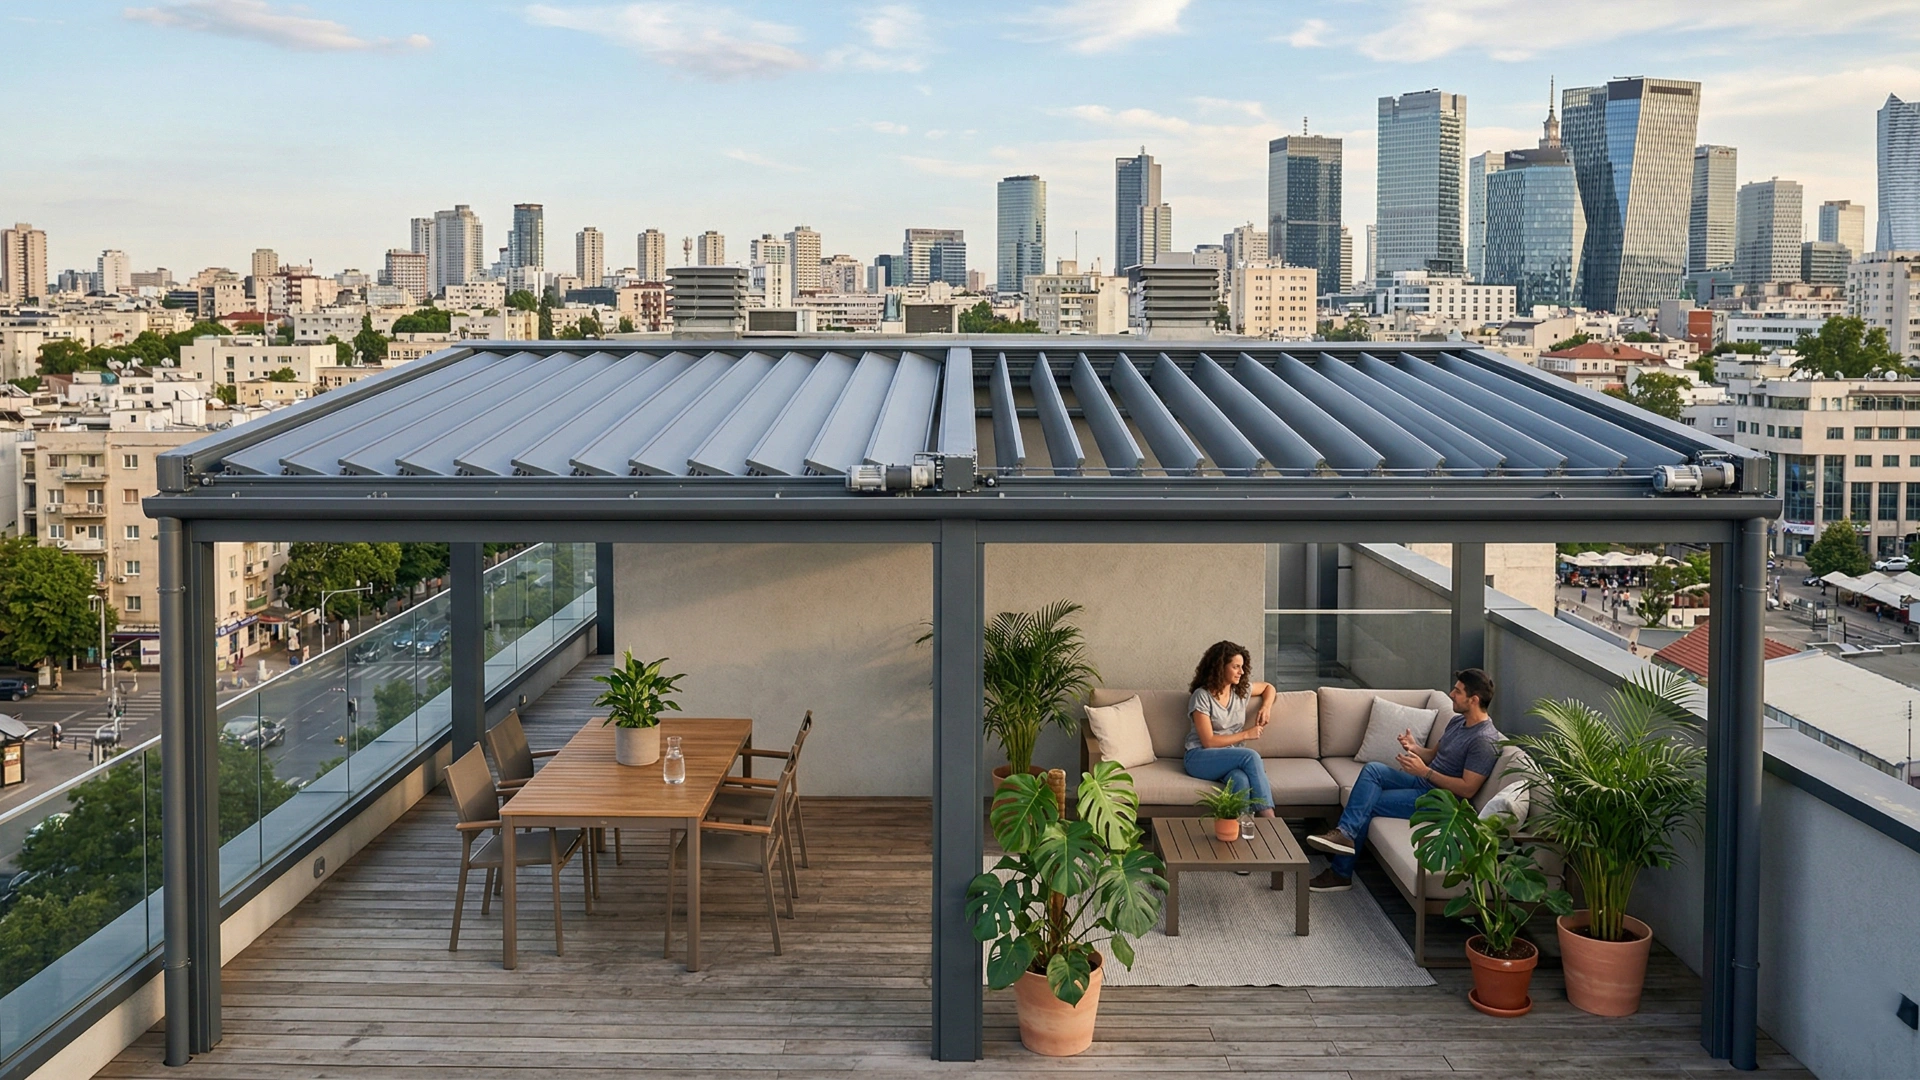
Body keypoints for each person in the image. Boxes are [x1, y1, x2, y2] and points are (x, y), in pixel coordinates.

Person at [1304, 668, 1502, 893]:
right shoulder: (1459, 722)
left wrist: (1425, 772)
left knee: (1365, 805)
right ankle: (1345, 835)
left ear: (1473, 700)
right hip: (1423, 783)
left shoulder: (1484, 741)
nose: (1451, 694)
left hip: (1441, 801)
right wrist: (1415, 747)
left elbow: (1467, 789)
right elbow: (1435, 754)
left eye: (1457, 691)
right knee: (1373, 770)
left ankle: (1340, 873)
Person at [1183, 640, 1279, 820]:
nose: (1241, 672)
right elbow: (1208, 741)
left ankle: (1241, 826)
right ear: (1220, 667)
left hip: (1229, 756)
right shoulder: (1201, 696)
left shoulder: (1240, 691)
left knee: (1240, 779)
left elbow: (1268, 687)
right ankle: (1268, 816)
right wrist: (1246, 734)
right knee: (1250, 756)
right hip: (1199, 757)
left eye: (1242, 667)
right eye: (1236, 667)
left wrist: (1266, 707)